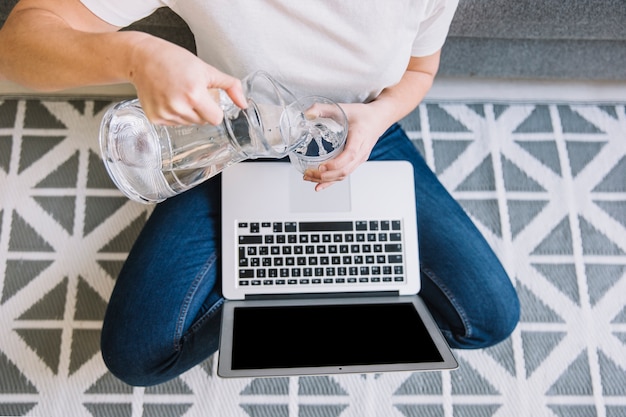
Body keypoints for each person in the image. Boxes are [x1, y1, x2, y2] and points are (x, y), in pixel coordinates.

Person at [0, 0, 520, 386]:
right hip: (232, 138)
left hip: (358, 132)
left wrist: (376, 118)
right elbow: (19, 43)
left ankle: (295, 289)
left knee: (489, 318)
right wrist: (136, 55)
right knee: (137, 355)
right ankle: (294, 286)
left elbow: (419, 71)